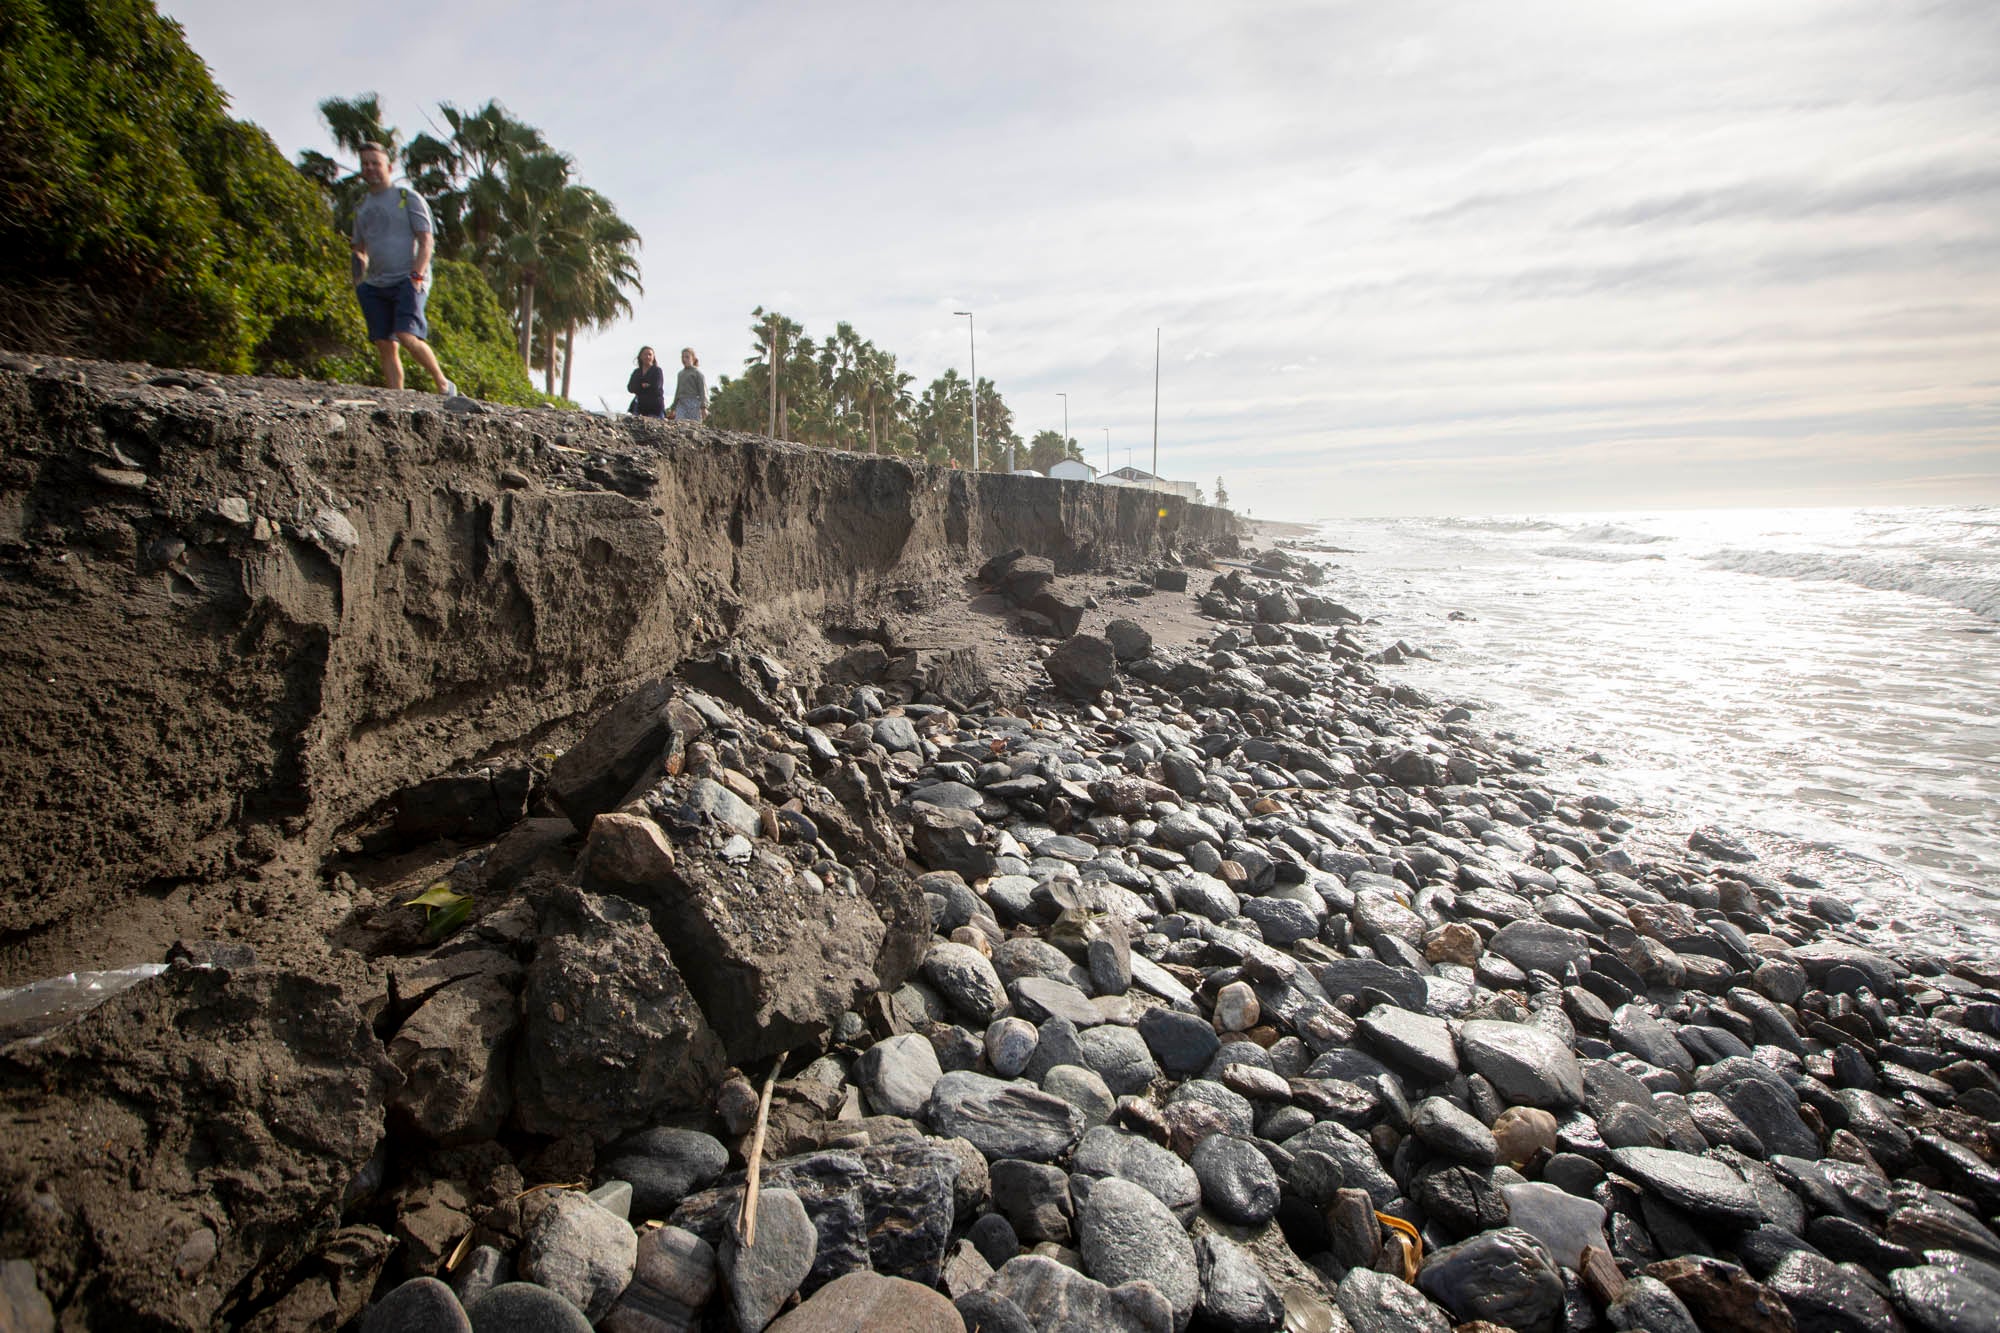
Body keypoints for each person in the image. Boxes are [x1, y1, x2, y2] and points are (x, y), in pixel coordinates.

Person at [349, 141, 457, 396]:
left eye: (375, 163)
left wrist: (417, 275)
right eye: (365, 164)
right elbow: (358, 249)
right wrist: (358, 283)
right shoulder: (362, 207)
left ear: (388, 166)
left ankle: (443, 384)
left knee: (406, 335)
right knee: (385, 343)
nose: (370, 168)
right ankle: (395, 398)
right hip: (375, 284)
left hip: (408, 279)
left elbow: (426, 240)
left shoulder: (407, 198)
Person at [627, 346, 666, 417]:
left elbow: (656, 386)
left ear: (653, 357)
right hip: (639, 407)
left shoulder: (657, 370)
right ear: (640, 356)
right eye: (645, 354)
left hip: (655, 408)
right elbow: (630, 388)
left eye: (650, 354)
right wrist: (643, 386)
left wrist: (639, 387)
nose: (647, 357)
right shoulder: (637, 372)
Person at [672, 348, 706, 422]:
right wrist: (673, 407)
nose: (684, 359)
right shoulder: (680, 374)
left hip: (694, 403)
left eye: (687, 357)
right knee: (679, 423)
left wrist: (703, 407)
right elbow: (678, 390)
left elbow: (702, 391)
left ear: (693, 358)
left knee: (694, 425)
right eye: (683, 357)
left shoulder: (697, 373)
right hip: (681, 403)